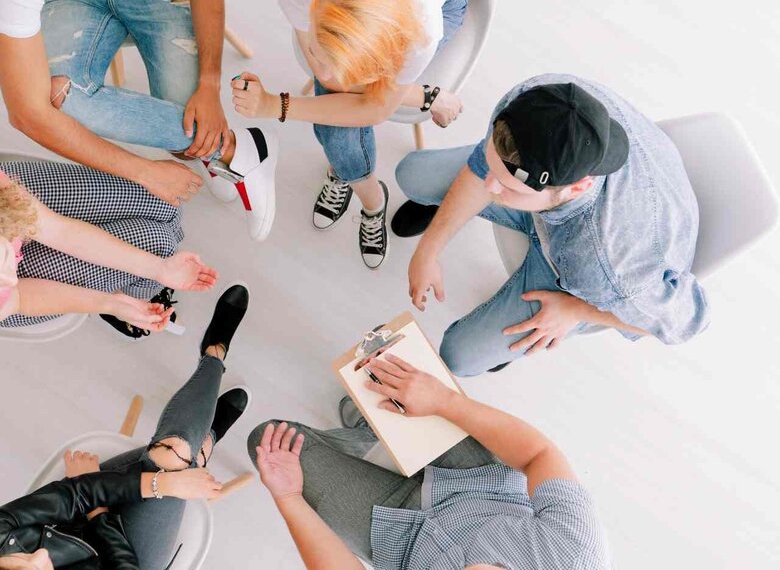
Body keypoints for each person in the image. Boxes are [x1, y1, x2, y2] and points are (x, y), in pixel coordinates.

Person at [392, 73, 710, 377]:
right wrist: (429, 250)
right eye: (492, 167)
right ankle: (456, 205)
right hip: (551, 212)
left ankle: (500, 348)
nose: (488, 186)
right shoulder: (537, 99)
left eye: (507, 186)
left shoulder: (613, 269)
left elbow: (686, 323)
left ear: (577, 187)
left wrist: (577, 310)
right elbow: (483, 173)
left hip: (575, 268)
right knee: (412, 175)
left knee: (458, 357)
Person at [248, 354, 612, 569]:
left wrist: (288, 498)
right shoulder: (575, 553)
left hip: (401, 544)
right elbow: (539, 455)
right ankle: (374, 429)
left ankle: (369, 434)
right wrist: (443, 401)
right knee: (382, 362)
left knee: (267, 440)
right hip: (477, 484)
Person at [0, 283, 252, 569]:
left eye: (20, 561)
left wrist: (164, 484)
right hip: (132, 558)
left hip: (78, 517)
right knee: (177, 455)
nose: (42, 554)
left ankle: (206, 418)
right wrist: (98, 512)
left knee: (173, 456)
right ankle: (213, 364)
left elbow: (73, 495)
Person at [0, 0, 278, 240]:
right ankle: (234, 150)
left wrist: (209, 84)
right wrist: (145, 172)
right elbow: (28, 113)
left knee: (187, 126)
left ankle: (213, 151)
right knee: (56, 96)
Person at [231, 0, 470, 268]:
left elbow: (376, 108)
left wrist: (274, 105)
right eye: (316, 51)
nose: (325, 73)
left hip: (441, 2)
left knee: (337, 133)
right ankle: (370, 197)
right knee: (337, 120)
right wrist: (423, 97)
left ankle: (366, 194)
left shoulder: (421, 27)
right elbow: (330, 78)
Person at [0, 162, 217, 339]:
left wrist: (158, 268)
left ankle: (142, 281)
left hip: (8, 208)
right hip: (24, 297)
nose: (10, 279)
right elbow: (20, 297)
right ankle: (131, 291)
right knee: (160, 245)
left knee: (166, 204)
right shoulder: (9, 284)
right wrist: (112, 305)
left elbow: (59, 231)